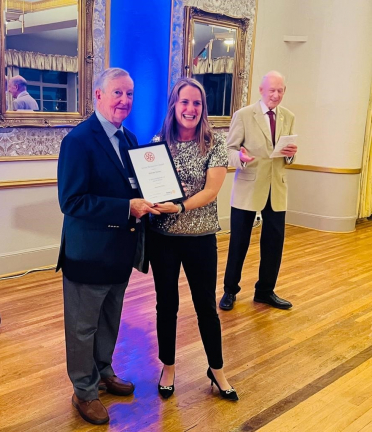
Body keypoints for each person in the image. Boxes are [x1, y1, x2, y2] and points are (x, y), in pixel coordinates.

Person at [56, 67, 160, 425]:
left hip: (120, 252)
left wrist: (151, 198)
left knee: (110, 321)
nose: (124, 101)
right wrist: (125, 207)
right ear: (98, 96)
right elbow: (72, 202)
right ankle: (83, 391)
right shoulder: (78, 141)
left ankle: (103, 371)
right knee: (82, 327)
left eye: (129, 94)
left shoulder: (130, 140)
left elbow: (133, 187)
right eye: (117, 93)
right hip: (87, 255)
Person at [148, 77, 238, 401]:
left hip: (200, 237)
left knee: (205, 307)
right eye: (184, 102)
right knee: (166, 305)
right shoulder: (158, 141)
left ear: (203, 107)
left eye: (196, 103)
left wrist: (179, 205)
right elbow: (149, 183)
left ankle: (216, 370)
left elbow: (212, 191)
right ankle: (168, 366)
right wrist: (149, 200)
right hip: (163, 238)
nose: (190, 109)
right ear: (174, 105)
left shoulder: (214, 142)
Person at [219, 70, 297, 311]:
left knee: (274, 243)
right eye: (271, 90)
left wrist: (291, 154)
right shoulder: (243, 115)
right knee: (239, 243)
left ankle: (265, 291)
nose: (276, 95)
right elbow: (229, 150)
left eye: (280, 90)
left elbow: (289, 154)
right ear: (261, 91)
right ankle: (230, 290)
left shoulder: (288, 116)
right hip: (248, 187)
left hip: (277, 189)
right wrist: (240, 157)